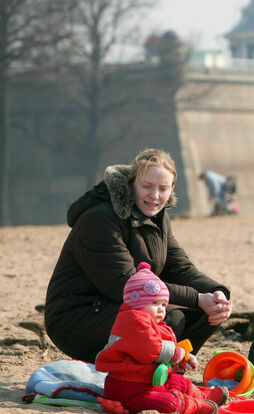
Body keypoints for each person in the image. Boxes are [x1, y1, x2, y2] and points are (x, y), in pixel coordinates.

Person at [45, 148, 232, 363]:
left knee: (209, 310)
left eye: (163, 188)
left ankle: (170, 367)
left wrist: (217, 293)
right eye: (147, 186)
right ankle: (137, 371)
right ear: (131, 183)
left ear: (171, 189)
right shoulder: (99, 219)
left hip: (122, 304)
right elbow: (124, 284)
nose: (155, 196)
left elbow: (180, 268)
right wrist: (197, 298)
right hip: (78, 316)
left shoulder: (158, 217)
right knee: (169, 316)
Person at [95, 263, 228, 414]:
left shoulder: (155, 324)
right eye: (154, 303)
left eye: (164, 304)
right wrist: (176, 353)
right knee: (169, 403)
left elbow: (166, 352)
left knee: (179, 382)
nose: (161, 309)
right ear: (136, 302)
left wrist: (183, 359)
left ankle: (204, 396)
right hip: (129, 390)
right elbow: (151, 349)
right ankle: (194, 406)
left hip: (149, 381)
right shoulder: (132, 321)